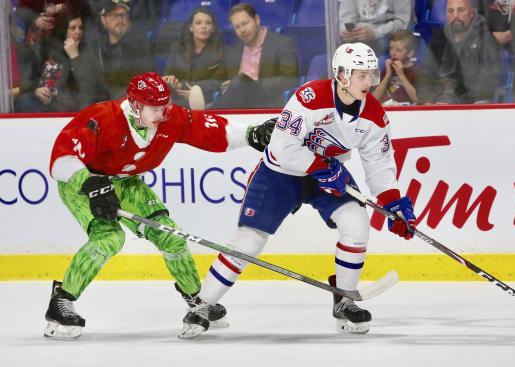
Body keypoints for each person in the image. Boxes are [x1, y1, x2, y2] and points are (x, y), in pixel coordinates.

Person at [197, 43, 417, 336]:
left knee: (356, 222)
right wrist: (321, 168)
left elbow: (379, 163)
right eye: (360, 75)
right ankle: (202, 305)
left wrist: (392, 202)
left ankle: (345, 299)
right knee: (249, 239)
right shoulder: (311, 97)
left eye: (370, 75)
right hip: (280, 173)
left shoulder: (374, 116)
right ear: (341, 75)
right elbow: (281, 146)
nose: (368, 82)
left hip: (325, 173)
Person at [44, 71, 276, 339]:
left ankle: (196, 300)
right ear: (135, 105)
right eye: (156, 108)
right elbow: (62, 157)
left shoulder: (168, 117)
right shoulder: (102, 118)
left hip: (126, 183)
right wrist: (92, 185)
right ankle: (61, 302)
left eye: (165, 105)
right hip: (83, 184)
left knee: (171, 237)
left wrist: (251, 134)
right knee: (109, 239)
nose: (164, 113)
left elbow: (207, 129)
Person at [212, 3, 298, 109]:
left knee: (240, 81)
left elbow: (289, 79)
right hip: (236, 104)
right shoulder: (233, 49)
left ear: (257, 20)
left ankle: (208, 116)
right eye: (237, 27)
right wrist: (223, 86)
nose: (242, 30)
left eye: (245, 23)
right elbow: (218, 78)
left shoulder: (282, 43)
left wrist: (249, 85)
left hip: (266, 102)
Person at [416, 0, 502, 104]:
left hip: (475, 105)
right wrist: (428, 101)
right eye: (451, 11)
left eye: (461, 10)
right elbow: (426, 75)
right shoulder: (439, 39)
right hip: (443, 104)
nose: (455, 15)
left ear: (471, 13)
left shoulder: (485, 38)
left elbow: (490, 79)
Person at [75, 0, 154, 107]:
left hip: (130, 109)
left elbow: (142, 83)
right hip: (100, 110)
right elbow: (87, 87)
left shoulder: (140, 47)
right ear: (103, 19)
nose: (120, 20)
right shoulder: (94, 49)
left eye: (123, 15)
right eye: (114, 16)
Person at [15, 10, 86, 112]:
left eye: (80, 28)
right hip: (41, 100)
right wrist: (36, 90)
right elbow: (28, 79)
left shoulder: (87, 52)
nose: (78, 32)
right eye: (73, 28)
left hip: (66, 103)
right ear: (64, 30)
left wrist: (75, 57)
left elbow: (86, 87)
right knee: (25, 101)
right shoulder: (48, 48)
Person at [163, 7, 227, 109]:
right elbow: (168, 74)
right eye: (198, 23)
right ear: (191, 27)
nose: (203, 26)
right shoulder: (177, 47)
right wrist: (170, 80)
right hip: (176, 95)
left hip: (205, 97)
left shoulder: (221, 50)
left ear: (213, 28)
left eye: (208, 23)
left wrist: (187, 87)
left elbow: (219, 82)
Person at [338, 0, 414, 56]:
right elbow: (347, 18)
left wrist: (375, 33)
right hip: (359, 33)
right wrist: (347, 32)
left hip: (387, 33)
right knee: (341, 47)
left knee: (373, 47)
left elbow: (403, 22)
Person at [372, 29, 420, 105]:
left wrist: (401, 75)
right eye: (391, 48)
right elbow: (374, 98)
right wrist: (387, 76)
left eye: (398, 50)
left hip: (409, 111)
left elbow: (417, 99)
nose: (393, 53)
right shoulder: (388, 68)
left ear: (410, 53)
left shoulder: (415, 71)